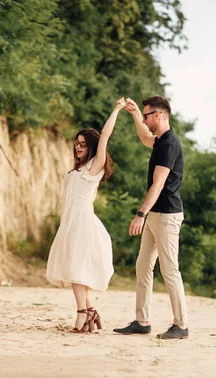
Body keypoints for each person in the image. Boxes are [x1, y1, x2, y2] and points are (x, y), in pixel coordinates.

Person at [46, 97, 126, 333]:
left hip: (82, 222)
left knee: (76, 268)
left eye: (83, 144)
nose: (78, 147)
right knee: (74, 267)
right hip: (70, 221)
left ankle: (82, 313)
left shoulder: (94, 166)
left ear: (92, 146)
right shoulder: (77, 169)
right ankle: (89, 310)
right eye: (76, 143)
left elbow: (105, 133)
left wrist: (117, 109)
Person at [113, 96, 190, 339]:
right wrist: (135, 114)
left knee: (170, 270)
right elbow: (145, 138)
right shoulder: (159, 140)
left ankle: (181, 325)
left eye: (147, 115)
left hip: (166, 216)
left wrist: (139, 215)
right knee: (143, 266)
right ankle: (142, 321)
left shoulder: (170, 145)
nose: (145, 120)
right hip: (155, 214)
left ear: (159, 115)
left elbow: (157, 186)